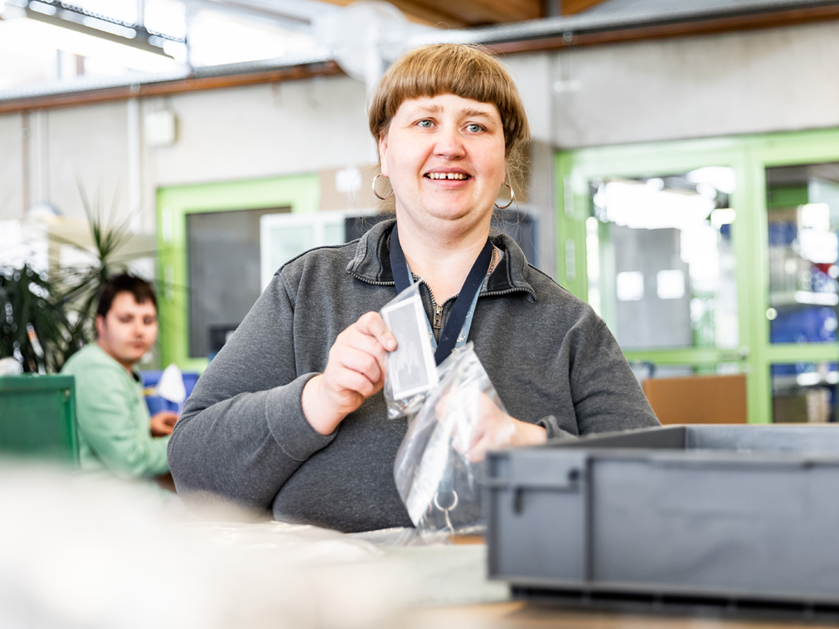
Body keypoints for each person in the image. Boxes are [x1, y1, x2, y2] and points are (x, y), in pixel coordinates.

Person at [168, 44, 659, 532]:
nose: (449, 145)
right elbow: (194, 469)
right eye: (425, 122)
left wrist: (527, 444)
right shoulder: (307, 292)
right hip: (335, 605)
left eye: (475, 125)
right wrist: (321, 398)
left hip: (504, 605)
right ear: (384, 148)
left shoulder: (568, 326)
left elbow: (658, 489)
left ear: (504, 155)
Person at [62, 274, 177, 477]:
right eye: (126, 319)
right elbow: (129, 461)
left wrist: (147, 428)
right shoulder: (95, 371)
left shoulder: (118, 367)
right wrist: (186, 442)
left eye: (148, 320)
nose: (139, 330)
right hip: (105, 502)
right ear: (101, 324)